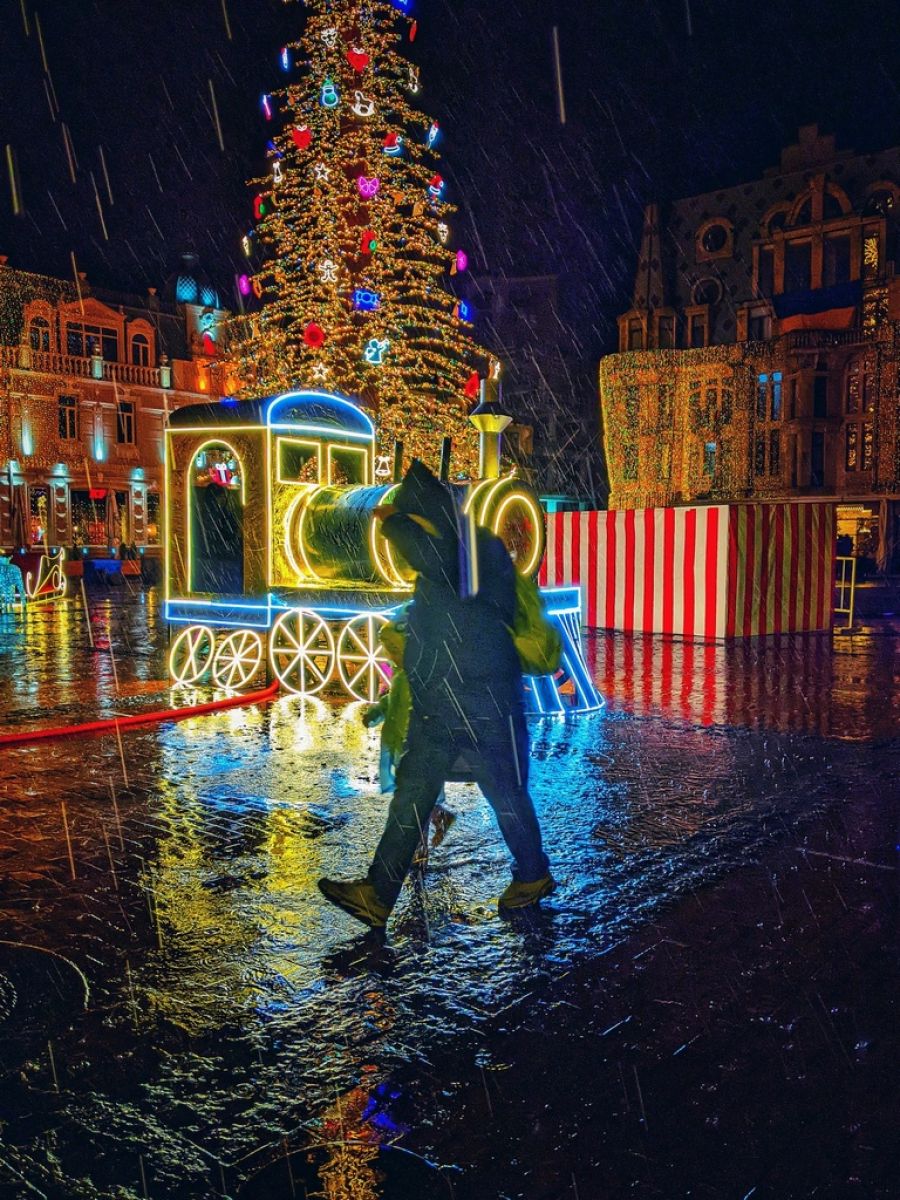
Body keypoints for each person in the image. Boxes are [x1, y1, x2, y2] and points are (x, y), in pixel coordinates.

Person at [318, 459, 555, 930]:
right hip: (445, 704)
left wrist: (393, 522)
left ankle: (533, 874)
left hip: (480, 702)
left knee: (505, 793)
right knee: (413, 794)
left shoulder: (463, 549)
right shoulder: (466, 547)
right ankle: (379, 893)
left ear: (426, 520)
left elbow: (434, 561)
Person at [362, 616, 455, 856]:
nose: (389, 656)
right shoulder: (403, 675)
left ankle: (418, 851)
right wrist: (378, 712)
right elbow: (392, 702)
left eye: (393, 650)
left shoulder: (417, 677)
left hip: (414, 747)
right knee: (414, 799)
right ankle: (438, 820)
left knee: (414, 802)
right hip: (404, 746)